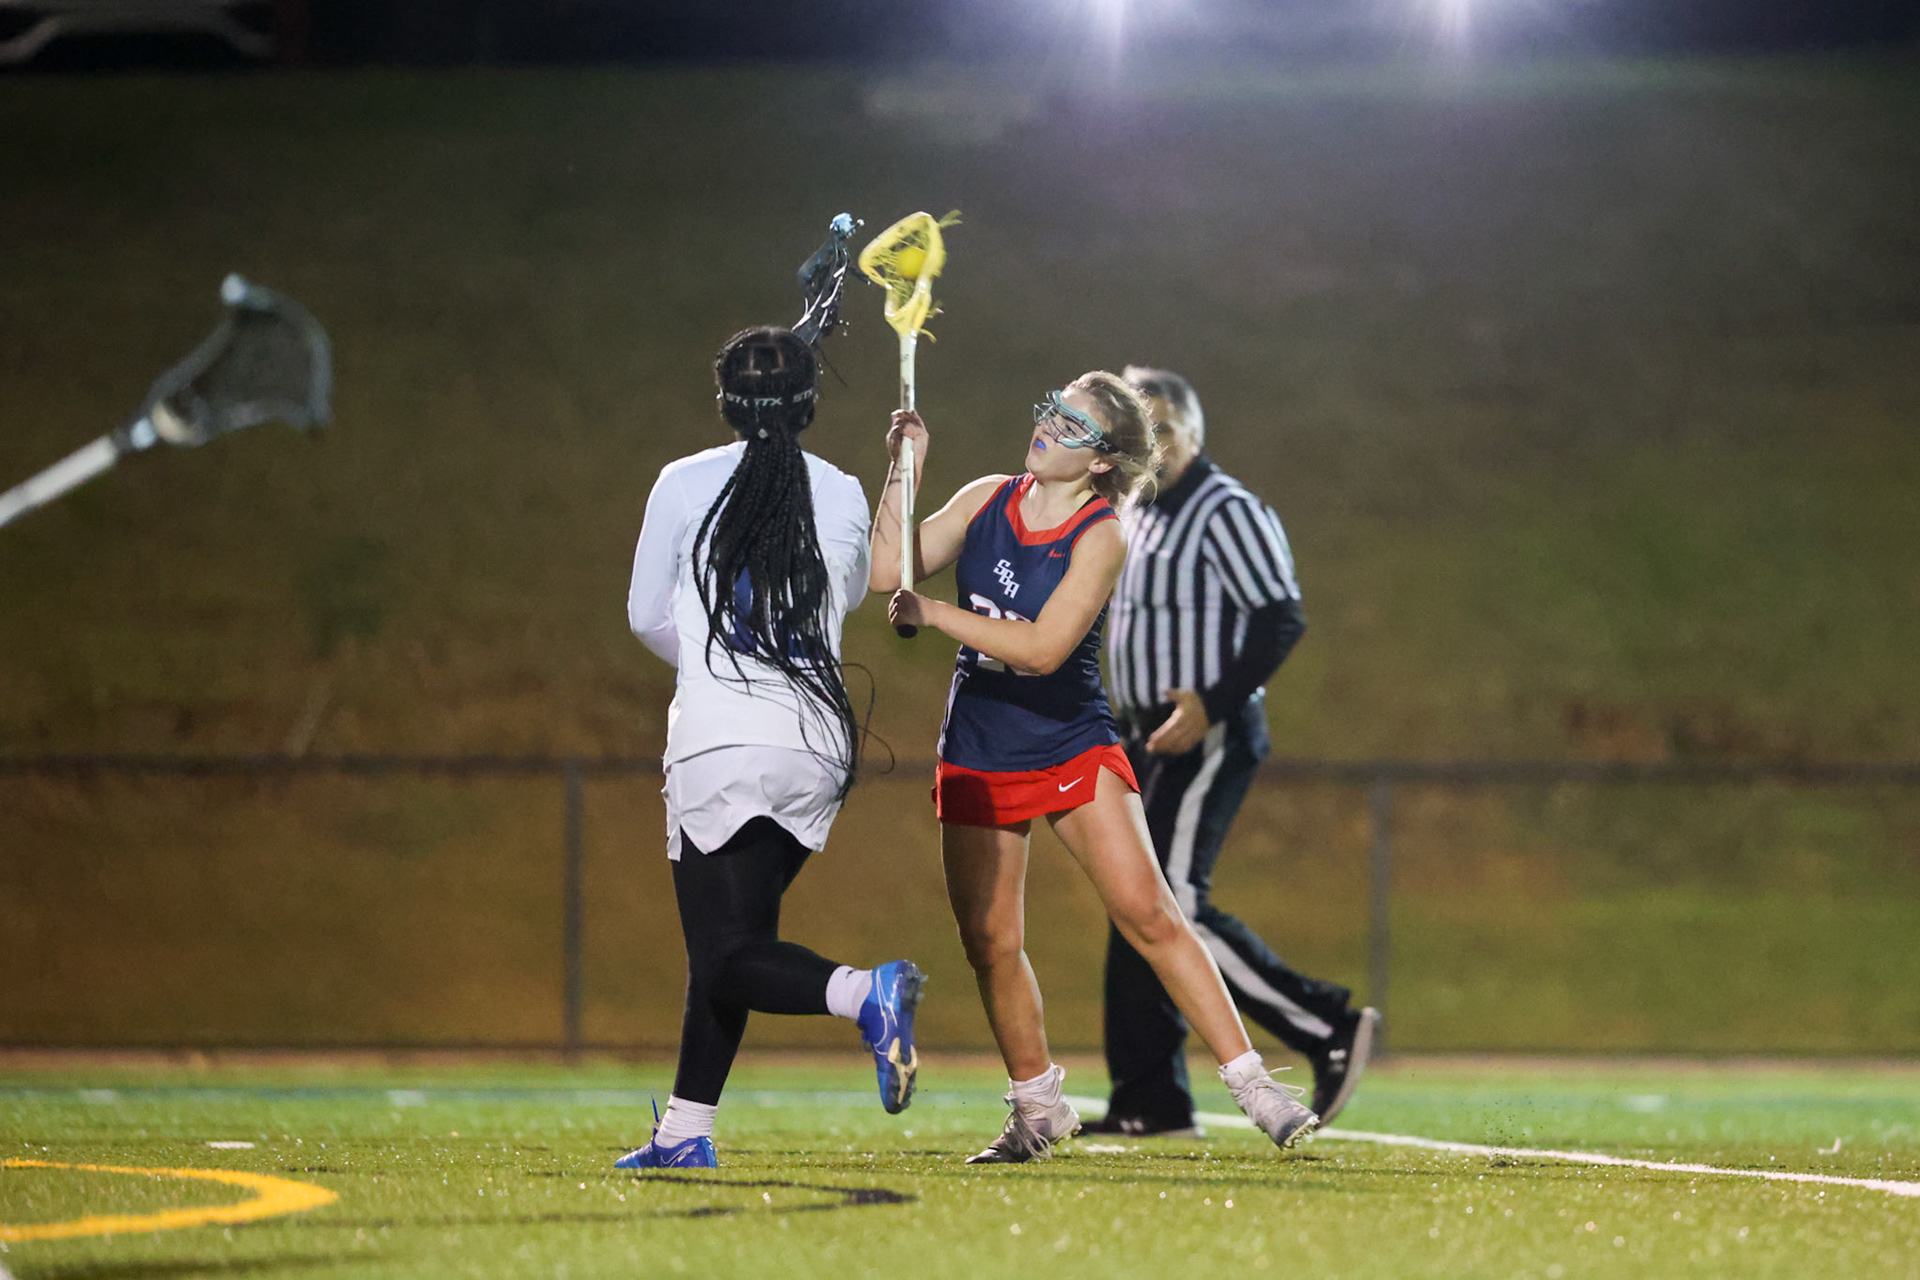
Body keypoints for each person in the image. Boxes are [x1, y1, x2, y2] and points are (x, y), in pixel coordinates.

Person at [873, 372, 1318, 1164]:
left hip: (1068, 739)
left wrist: (937, 612)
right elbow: (885, 569)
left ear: (1103, 460)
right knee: (989, 939)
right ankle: (1037, 1108)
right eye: (1050, 408)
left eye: (1070, 424)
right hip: (977, 742)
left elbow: (1044, 651)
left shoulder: (1102, 533)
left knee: (1149, 912)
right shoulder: (985, 497)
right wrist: (904, 467)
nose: (1046, 427)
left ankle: (1255, 1085)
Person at [618, 325, 924, 1169]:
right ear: (808, 405)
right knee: (733, 946)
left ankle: (866, 992)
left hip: (721, 742)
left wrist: (721, 658)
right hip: (817, 747)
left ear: (725, 402)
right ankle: (684, 1134)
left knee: (725, 953)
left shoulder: (683, 483)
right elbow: (862, 587)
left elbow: (647, 617)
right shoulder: (844, 490)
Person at [1089, 365, 1379, 1138]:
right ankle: (1149, 1099)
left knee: (1170, 902)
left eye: (1160, 430)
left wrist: (1210, 703)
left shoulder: (1227, 509)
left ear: (1191, 431)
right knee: (1134, 904)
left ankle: (1327, 1024)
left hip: (1204, 731)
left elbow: (1280, 618)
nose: (1147, 447)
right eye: (1134, 434)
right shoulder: (1139, 510)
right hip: (1142, 733)